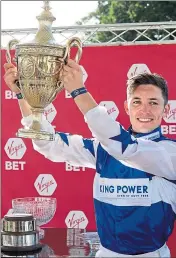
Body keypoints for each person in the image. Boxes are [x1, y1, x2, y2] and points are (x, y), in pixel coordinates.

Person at [4, 60, 176, 258]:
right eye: (136, 102)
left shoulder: (170, 153)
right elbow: (48, 143)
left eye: (153, 103)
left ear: (166, 110)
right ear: (126, 108)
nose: (144, 110)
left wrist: (78, 90)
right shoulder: (101, 148)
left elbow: (126, 148)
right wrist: (22, 96)